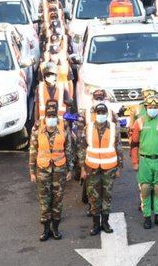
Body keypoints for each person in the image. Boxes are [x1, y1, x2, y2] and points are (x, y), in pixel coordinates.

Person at [29, 101, 73, 241]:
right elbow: (33, 151)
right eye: (49, 115)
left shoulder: (63, 128)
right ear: (45, 115)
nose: (51, 118)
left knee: (57, 199)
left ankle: (55, 229)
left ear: (57, 115)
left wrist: (70, 170)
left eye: (53, 115)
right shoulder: (38, 129)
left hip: (59, 169)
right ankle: (46, 230)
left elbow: (69, 150)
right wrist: (31, 170)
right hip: (43, 169)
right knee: (44, 199)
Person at [79, 103, 123, 236]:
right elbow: (82, 148)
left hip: (109, 168)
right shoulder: (88, 127)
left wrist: (119, 167)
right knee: (93, 197)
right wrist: (82, 168)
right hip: (92, 167)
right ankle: (95, 224)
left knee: (107, 196)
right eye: (98, 112)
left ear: (106, 113)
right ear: (95, 114)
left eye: (103, 112)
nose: (101, 115)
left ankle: (105, 222)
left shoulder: (114, 128)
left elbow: (118, 148)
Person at [130, 96, 158, 229]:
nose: (153, 109)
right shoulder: (139, 122)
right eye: (150, 107)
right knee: (145, 189)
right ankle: (147, 217)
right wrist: (135, 162)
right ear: (146, 108)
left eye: (155, 107)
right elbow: (134, 144)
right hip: (144, 160)